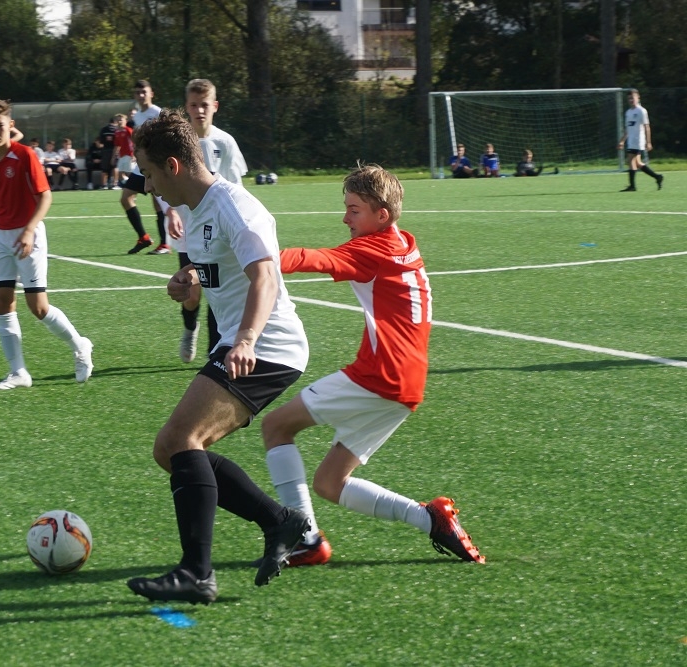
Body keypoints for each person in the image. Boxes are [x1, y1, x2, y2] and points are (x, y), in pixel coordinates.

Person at [125, 109, 312, 604]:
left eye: (148, 172)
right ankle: (281, 522)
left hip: (267, 346)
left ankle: (197, 573)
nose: (146, 186)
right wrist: (186, 283)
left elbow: (265, 277)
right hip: (241, 343)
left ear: (173, 165)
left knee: (182, 438)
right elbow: (210, 280)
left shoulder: (233, 204)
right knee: (174, 449)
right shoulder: (194, 213)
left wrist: (246, 339)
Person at [259, 163, 486, 570]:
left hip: (380, 375)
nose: (345, 218)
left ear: (381, 215)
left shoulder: (373, 249)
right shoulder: (402, 242)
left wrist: (252, 258)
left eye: (354, 210)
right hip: (406, 384)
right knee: (330, 483)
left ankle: (303, 537)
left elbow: (315, 259)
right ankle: (430, 517)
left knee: (276, 426)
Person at [0, 99, 94, 390]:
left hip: (29, 235)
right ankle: (19, 373)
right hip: (0, 238)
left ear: (10, 125)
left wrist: (28, 231)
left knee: (38, 307)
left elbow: (45, 196)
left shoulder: (25, 155)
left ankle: (80, 346)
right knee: (3, 302)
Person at [167, 78, 248, 364]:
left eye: (204, 105)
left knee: (216, 289)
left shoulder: (224, 142)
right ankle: (190, 327)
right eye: (193, 105)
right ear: (186, 107)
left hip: (218, 232)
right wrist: (171, 211)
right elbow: (166, 181)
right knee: (191, 292)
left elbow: (235, 188)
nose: (199, 110)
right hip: (188, 229)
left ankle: (216, 354)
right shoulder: (177, 143)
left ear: (214, 106)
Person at [121, 79, 169, 255]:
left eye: (144, 92)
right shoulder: (137, 116)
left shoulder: (158, 113)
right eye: (137, 93)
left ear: (151, 93)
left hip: (155, 163)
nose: (141, 96)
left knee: (159, 202)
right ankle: (144, 237)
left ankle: (165, 244)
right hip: (141, 165)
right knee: (126, 198)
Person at [618, 89, 663, 192]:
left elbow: (647, 127)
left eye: (632, 98)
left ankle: (632, 186)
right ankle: (657, 177)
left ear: (638, 98)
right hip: (631, 141)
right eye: (629, 98)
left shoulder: (641, 111)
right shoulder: (628, 112)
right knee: (637, 163)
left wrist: (648, 142)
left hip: (638, 141)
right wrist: (622, 141)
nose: (631, 100)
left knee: (630, 160)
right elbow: (628, 129)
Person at [96, 116, 118, 190]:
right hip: (115, 149)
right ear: (115, 122)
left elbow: (100, 142)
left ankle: (104, 185)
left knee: (104, 169)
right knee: (115, 167)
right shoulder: (117, 129)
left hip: (105, 150)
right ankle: (114, 184)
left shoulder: (103, 129)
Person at [112, 114, 135, 184]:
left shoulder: (128, 130)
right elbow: (117, 145)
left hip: (129, 154)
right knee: (120, 173)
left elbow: (135, 142)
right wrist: (113, 157)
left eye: (121, 120)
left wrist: (134, 154)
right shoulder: (117, 132)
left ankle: (134, 185)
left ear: (126, 121)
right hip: (121, 155)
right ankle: (130, 183)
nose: (119, 121)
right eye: (118, 120)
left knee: (129, 172)